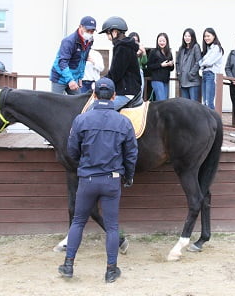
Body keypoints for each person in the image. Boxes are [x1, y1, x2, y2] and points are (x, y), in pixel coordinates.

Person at [58, 77, 137, 282]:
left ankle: (68, 265)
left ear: (94, 95)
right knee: (112, 227)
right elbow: (131, 154)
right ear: (113, 96)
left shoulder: (81, 119)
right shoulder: (124, 121)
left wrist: (84, 164)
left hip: (87, 179)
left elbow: (72, 150)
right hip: (112, 179)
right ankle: (111, 270)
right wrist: (128, 176)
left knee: (78, 222)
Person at [99, 16, 142, 110]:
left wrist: (100, 82)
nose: (107, 38)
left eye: (107, 34)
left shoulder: (122, 48)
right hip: (125, 90)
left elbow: (115, 74)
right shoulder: (125, 46)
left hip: (127, 92)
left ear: (114, 32)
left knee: (102, 110)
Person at [50, 16, 96, 95]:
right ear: (80, 27)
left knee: (79, 103)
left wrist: (80, 78)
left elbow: (83, 60)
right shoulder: (69, 41)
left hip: (74, 78)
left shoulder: (89, 41)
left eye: (92, 31)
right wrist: (70, 80)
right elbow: (62, 62)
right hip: (60, 78)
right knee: (55, 103)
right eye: (87, 30)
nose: (90, 33)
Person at [199, 27, 224, 110]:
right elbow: (201, 62)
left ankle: (214, 122)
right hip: (205, 74)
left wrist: (202, 63)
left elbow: (208, 62)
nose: (206, 38)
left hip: (211, 75)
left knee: (209, 102)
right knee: (205, 102)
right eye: (205, 36)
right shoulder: (209, 49)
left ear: (214, 36)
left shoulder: (217, 48)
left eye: (208, 36)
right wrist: (203, 63)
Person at [176, 28, 202, 100]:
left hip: (192, 81)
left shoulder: (196, 46)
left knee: (193, 105)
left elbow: (199, 61)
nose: (187, 38)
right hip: (183, 81)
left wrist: (191, 74)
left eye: (189, 36)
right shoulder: (181, 48)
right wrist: (178, 73)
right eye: (185, 36)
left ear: (192, 37)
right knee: (185, 106)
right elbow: (177, 62)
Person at [147, 33, 174, 101]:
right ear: (157, 41)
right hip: (157, 80)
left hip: (165, 80)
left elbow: (171, 69)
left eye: (163, 41)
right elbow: (149, 66)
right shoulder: (153, 52)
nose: (162, 42)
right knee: (161, 101)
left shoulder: (169, 53)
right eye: (160, 41)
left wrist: (171, 64)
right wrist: (161, 65)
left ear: (167, 42)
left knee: (165, 102)